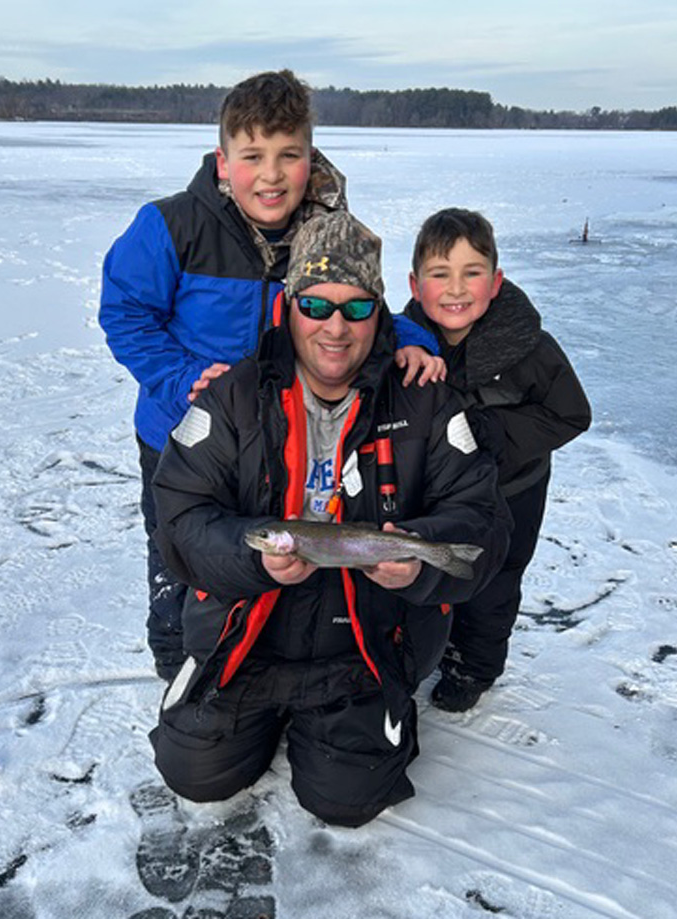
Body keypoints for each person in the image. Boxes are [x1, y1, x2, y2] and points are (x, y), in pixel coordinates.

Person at [148, 211, 512, 827]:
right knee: (194, 773)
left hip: (364, 647)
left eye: (357, 308)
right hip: (248, 635)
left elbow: (484, 523)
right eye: (315, 306)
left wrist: (420, 562)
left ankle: (367, 718)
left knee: (348, 800)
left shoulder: (424, 399)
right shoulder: (233, 397)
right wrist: (250, 555)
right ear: (288, 308)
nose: (335, 328)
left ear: (382, 313)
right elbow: (180, 518)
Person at [99, 70, 443, 681]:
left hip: (273, 439)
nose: (272, 174)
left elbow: (358, 302)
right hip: (180, 432)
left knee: (258, 550)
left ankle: (256, 655)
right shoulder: (172, 225)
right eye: (252, 156)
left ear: (312, 158)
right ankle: (176, 658)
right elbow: (125, 313)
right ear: (222, 160)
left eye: (290, 156)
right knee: (181, 546)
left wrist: (412, 338)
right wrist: (180, 380)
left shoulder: (324, 232)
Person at [404, 207, 592, 712]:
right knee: (431, 570)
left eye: (472, 273)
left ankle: (474, 666)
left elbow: (571, 414)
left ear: (496, 280)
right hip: (437, 492)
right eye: (440, 275)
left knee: (494, 583)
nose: (456, 290)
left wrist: (490, 431)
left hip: (512, 492)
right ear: (415, 283)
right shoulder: (404, 342)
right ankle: (427, 643)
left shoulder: (530, 348)